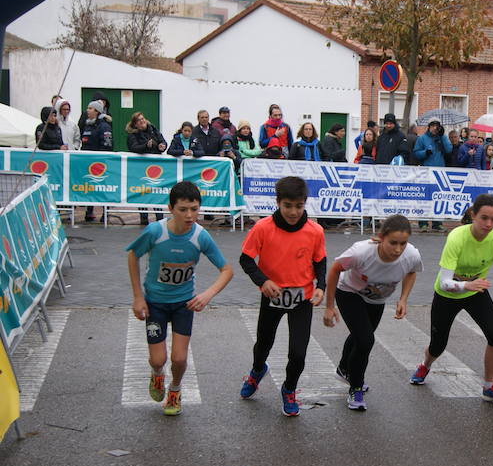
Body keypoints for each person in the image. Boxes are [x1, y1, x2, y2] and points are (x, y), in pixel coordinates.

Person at [126, 181, 233, 415]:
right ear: (170, 209)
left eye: (194, 209)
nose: (189, 215)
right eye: (183, 209)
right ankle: (157, 374)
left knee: (179, 358)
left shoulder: (201, 236)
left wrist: (207, 295)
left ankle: (175, 389)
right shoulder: (155, 232)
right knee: (158, 360)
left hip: (184, 304)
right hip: (155, 303)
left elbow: (226, 270)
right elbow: (133, 256)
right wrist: (138, 297)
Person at [409, 194, 493, 405]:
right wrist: (466, 285)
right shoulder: (457, 237)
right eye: (484, 218)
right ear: (473, 215)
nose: (488, 224)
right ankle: (425, 365)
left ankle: (489, 386)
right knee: (438, 345)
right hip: (448, 294)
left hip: (475, 292)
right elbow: (445, 282)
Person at [238, 176, 327, 416]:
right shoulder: (263, 227)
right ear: (278, 202)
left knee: (298, 352)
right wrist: (263, 281)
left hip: (302, 299)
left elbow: (320, 260)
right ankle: (258, 370)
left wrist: (321, 286)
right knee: (263, 344)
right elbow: (246, 259)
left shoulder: (315, 231)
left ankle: (289, 389)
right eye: (288, 205)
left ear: (305, 203)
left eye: (299, 206)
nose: (293, 212)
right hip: (272, 296)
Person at [323, 214, 423, 410]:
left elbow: (412, 272)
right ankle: (356, 387)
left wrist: (403, 299)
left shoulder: (411, 255)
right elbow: (335, 269)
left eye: (403, 243)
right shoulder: (361, 252)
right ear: (381, 237)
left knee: (361, 336)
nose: (398, 249)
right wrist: (329, 306)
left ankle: (344, 369)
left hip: (376, 300)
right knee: (366, 340)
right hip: (349, 292)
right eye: (393, 243)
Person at [126, 112, 168, 224]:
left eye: (142, 118)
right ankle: (144, 218)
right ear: (135, 124)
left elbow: (162, 141)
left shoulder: (153, 129)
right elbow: (133, 147)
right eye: (139, 120)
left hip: (155, 166)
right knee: (143, 192)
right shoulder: (132, 135)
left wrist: (162, 146)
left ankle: (159, 217)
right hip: (141, 167)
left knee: (156, 192)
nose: (142, 121)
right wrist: (146, 146)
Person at [80, 100, 113, 222]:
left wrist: (98, 158)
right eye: (88, 108)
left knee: (102, 188)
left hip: (100, 163)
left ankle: (105, 213)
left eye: (90, 108)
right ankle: (89, 212)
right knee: (89, 187)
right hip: (88, 163)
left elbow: (107, 145)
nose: (87, 110)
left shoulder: (104, 126)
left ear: (97, 111)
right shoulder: (87, 125)